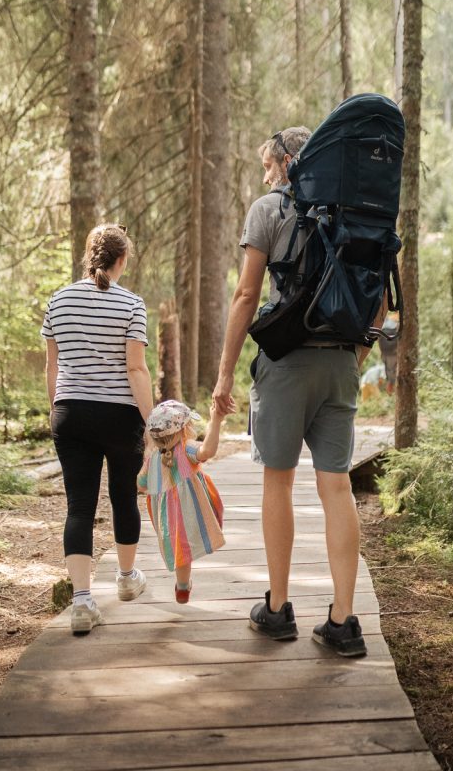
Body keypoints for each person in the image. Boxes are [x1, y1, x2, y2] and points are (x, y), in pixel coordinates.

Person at [213, 126, 386, 656]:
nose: (265, 174)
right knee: (336, 488)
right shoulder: (357, 214)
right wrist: (353, 358)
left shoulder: (268, 208)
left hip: (286, 364)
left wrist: (224, 374)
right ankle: (343, 620)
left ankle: (279, 609)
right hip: (339, 363)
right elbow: (379, 302)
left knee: (278, 483)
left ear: (288, 162)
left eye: (269, 164)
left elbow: (246, 294)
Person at [41, 224, 154, 634]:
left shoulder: (58, 301)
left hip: (70, 413)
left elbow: (52, 367)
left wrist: (58, 409)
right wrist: (153, 420)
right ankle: (126, 580)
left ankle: (83, 602)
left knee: (79, 506)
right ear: (121, 260)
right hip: (120, 415)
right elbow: (136, 368)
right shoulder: (132, 305)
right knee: (124, 496)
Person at [137, 400, 225, 603]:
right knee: (190, 540)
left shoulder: (152, 460)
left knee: (180, 549)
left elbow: (141, 485)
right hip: (193, 512)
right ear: (184, 429)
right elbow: (207, 451)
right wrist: (216, 421)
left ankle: (183, 586)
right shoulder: (186, 449)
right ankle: (183, 585)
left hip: (169, 518)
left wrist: (148, 455)